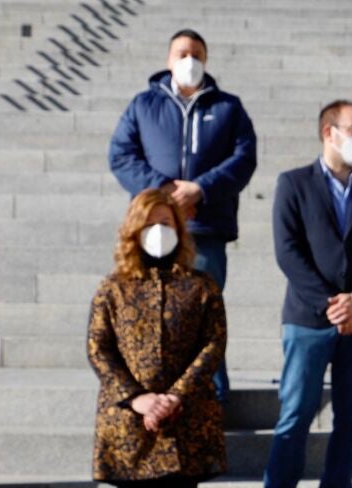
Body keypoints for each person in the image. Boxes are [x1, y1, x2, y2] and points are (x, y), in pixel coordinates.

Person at [236, 101, 352, 488]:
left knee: (350, 419)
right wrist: (331, 304)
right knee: (295, 413)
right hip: (308, 319)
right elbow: (288, 252)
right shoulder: (294, 184)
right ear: (330, 132)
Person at [87, 188, 228, 488]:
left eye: (167, 222)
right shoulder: (113, 288)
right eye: (151, 224)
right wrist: (139, 398)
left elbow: (212, 345)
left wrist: (174, 397)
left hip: (183, 425)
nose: (160, 232)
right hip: (129, 429)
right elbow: (99, 349)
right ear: (134, 230)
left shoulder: (201, 286)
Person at [108, 28, 256, 404]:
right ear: (168, 60)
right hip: (151, 226)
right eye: (182, 53)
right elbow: (121, 155)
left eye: (197, 54)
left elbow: (243, 158)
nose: (190, 60)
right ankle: (152, 394)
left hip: (205, 227)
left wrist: (200, 189)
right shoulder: (143, 105)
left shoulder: (228, 107)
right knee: (151, 310)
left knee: (204, 311)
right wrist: (165, 191)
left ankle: (213, 397)